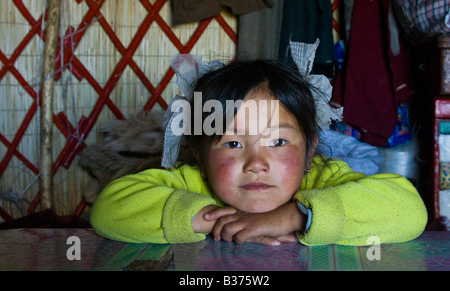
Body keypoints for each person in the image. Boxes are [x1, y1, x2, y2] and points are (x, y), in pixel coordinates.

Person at [90, 57, 427, 246]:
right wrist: (211, 220)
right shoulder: (191, 183)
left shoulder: (326, 180)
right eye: (233, 144)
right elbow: (108, 209)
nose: (256, 164)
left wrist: (294, 217)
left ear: (310, 152)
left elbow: (409, 209)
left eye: (278, 142)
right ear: (201, 156)